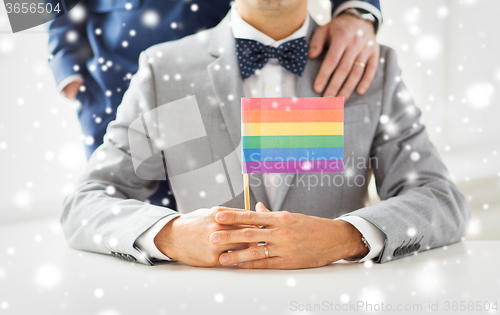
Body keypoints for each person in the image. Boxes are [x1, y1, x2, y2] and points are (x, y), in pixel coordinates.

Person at [61, 0, 470, 269]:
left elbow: (442, 200)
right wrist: (169, 236)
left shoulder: (373, 67)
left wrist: (345, 237)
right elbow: (86, 202)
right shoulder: (163, 70)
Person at [48, 0, 382, 207]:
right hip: (113, 81)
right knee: (125, 228)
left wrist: (357, 8)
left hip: (230, 68)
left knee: (268, 214)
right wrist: (63, 63)